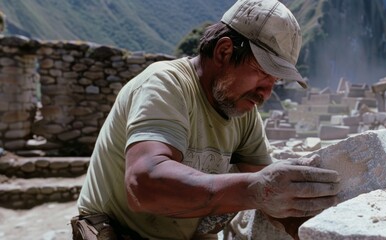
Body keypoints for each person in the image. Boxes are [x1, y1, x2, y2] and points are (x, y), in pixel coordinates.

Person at [72, 0, 341, 239]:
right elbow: (144, 185)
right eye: (262, 73)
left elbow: (272, 195)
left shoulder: (242, 111)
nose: (266, 93)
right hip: (118, 232)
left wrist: (312, 224)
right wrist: (255, 189)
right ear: (224, 52)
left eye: (275, 81)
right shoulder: (166, 84)